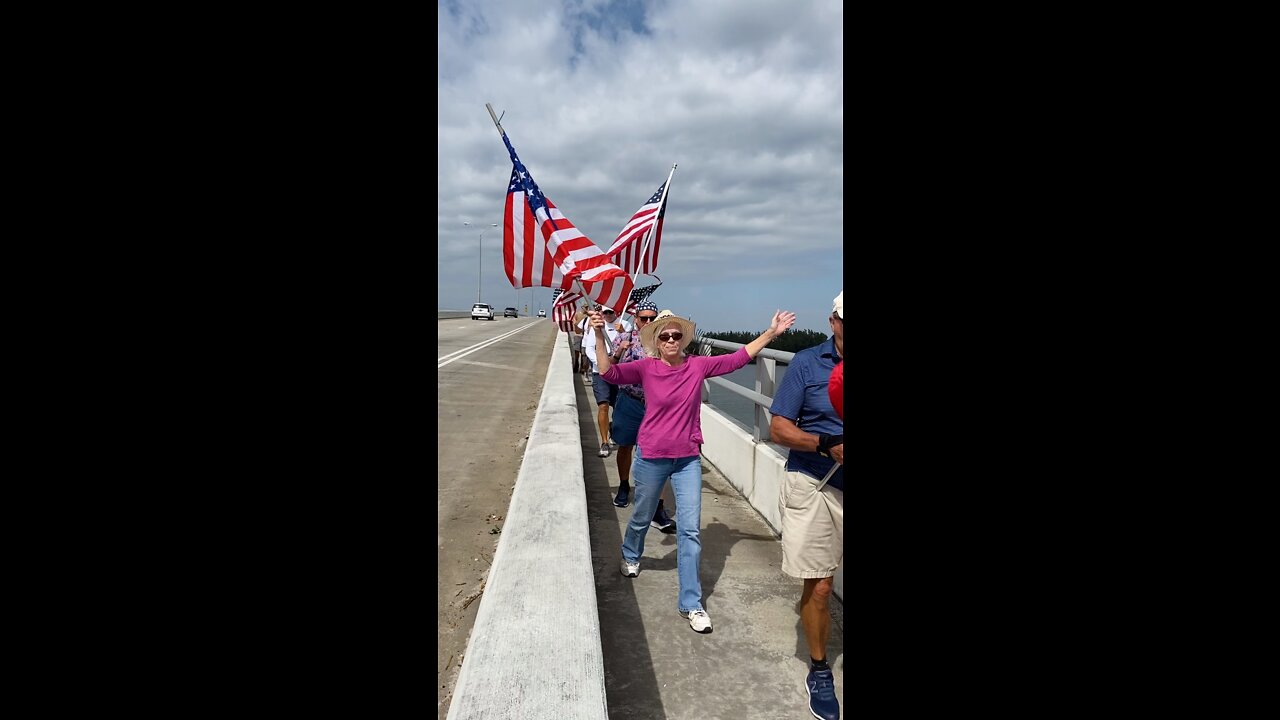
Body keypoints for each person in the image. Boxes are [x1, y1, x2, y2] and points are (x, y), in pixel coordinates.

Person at [589, 305, 796, 634]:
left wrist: (771, 333)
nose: (671, 340)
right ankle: (631, 552)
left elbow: (738, 359)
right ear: (657, 343)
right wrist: (599, 334)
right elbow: (607, 373)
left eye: (676, 335)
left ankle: (691, 603)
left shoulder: (697, 366)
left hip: (687, 459)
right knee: (642, 514)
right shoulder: (645, 368)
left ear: (683, 340)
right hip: (652, 455)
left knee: (689, 531)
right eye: (665, 336)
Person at [768, 290, 844, 720]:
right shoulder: (806, 363)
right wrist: (825, 443)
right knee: (820, 585)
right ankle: (818, 668)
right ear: (834, 322)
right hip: (818, 481)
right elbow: (778, 427)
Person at [606, 301, 676, 532]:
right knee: (625, 445)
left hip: (656, 405)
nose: (647, 322)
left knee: (658, 454)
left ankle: (657, 506)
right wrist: (618, 351)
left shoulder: (663, 341)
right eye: (643, 318)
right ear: (635, 319)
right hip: (630, 400)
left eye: (651, 318)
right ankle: (625, 485)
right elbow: (609, 369)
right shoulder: (624, 338)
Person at [581, 305, 629, 457]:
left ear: (617, 312)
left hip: (619, 372)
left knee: (619, 407)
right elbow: (589, 349)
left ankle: (613, 428)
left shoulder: (625, 325)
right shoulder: (597, 325)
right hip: (599, 372)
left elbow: (631, 345)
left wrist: (622, 332)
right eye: (605, 312)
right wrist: (602, 363)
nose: (608, 315)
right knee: (603, 406)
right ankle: (604, 441)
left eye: (611, 312)